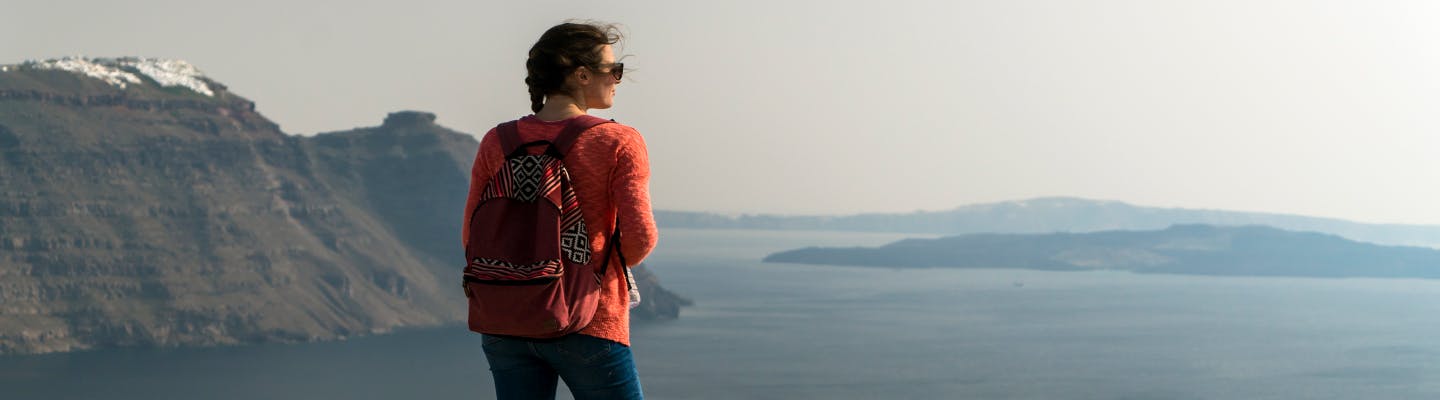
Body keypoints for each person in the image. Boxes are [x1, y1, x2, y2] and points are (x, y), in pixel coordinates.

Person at [460, 21, 658, 400]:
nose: (617, 79)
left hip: (506, 319)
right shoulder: (617, 140)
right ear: (582, 75)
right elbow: (641, 237)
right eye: (613, 70)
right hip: (588, 318)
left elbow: (472, 234)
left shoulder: (497, 140)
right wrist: (596, 272)